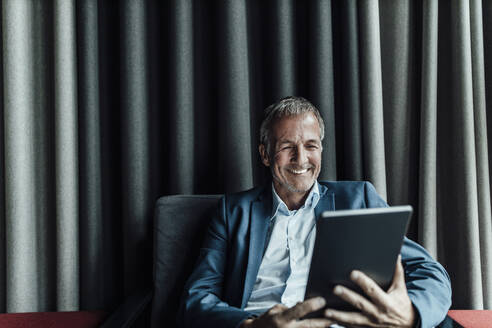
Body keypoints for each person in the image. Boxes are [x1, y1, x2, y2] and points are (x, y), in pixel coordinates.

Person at [178, 96, 452, 328]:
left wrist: (411, 314)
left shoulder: (358, 199)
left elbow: (430, 272)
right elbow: (197, 298)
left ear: (320, 150)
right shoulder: (232, 212)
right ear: (265, 154)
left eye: (310, 146)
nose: (301, 158)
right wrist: (250, 324)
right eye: (287, 147)